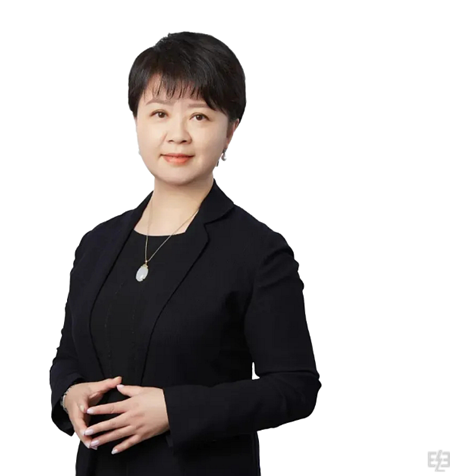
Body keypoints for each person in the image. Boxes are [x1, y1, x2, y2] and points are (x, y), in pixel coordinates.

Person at [49, 31, 321, 476]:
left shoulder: (258, 251)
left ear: (230, 131)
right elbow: (69, 357)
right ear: (136, 121)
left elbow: (295, 387)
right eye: (159, 113)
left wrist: (174, 410)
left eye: (199, 116)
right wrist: (69, 394)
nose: (177, 135)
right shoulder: (97, 244)